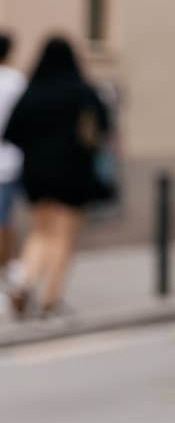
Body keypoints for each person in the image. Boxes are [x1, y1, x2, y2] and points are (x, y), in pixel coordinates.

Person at [3, 35, 115, 319]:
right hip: (73, 171)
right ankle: (50, 298)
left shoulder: (33, 91)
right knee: (63, 235)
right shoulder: (82, 91)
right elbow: (104, 126)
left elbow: (11, 133)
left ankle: (25, 281)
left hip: (36, 173)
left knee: (40, 231)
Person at [0, 31, 25, 278]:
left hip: (8, 161)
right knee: (5, 219)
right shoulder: (16, 81)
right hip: (11, 160)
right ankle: (8, 269)